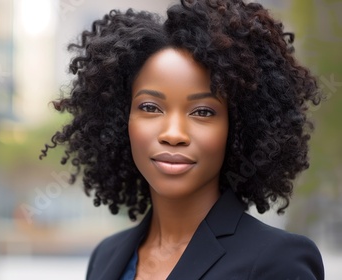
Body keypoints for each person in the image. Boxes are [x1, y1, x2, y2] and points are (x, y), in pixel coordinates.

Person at [40, 0, 325, 279]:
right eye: (150, 107)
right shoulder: (106, 257)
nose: (173, 134)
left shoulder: (277, 262)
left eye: (203, 111)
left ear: (237, 127)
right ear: (118, 119)